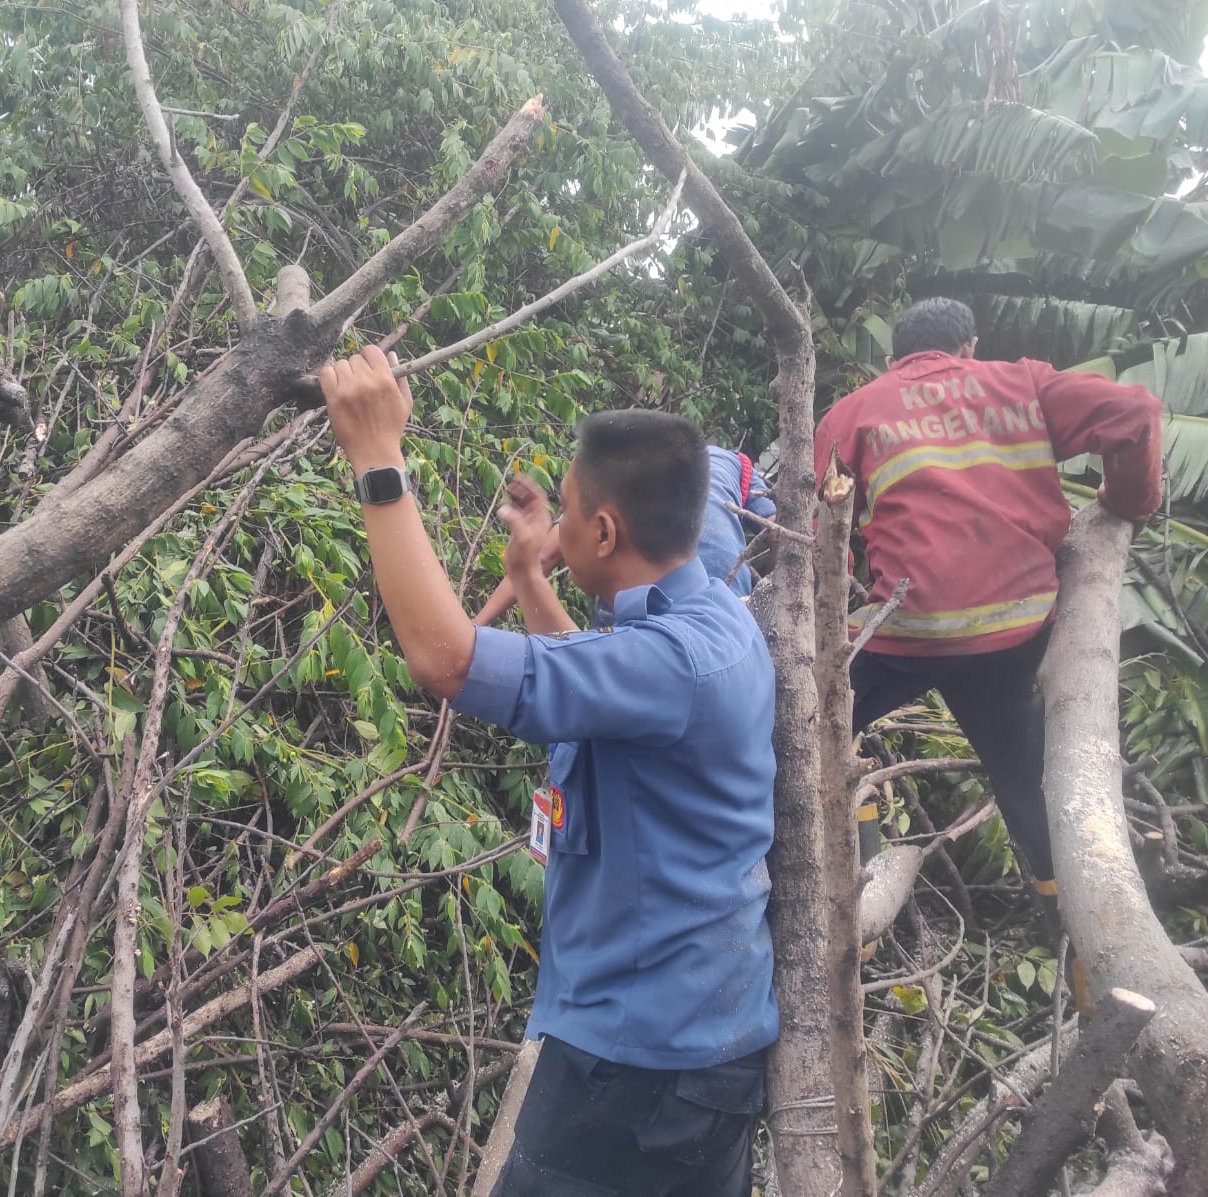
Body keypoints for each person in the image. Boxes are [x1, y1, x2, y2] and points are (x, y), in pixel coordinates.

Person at [320, 346, 778, 1197]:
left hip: (636, 1069)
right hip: (698, 1051)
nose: (557, 526)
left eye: (567, 513)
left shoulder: (669, 662)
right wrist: (530, 575)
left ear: (606, 531)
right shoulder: (706, 618)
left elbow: (443, 658)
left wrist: (379, 461)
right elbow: (604, 681)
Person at [814, 297, 1162, 965]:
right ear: (969, 347)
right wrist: (1128, 502)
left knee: (814, 726)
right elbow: (1138, 413)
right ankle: (1075, 942)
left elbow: (811, 528)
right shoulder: (1023, 382)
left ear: (894, 361)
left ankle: (849, 879)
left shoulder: (854, 409)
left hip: (905, 627)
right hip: (1013, 630)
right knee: (1024, 781)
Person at [472, 442, 774, 625]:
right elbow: (775, 528)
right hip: (733, 611)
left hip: (650, 605)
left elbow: (544, 555)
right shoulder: (738, 465)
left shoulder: (635, 472)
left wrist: (476, 626)